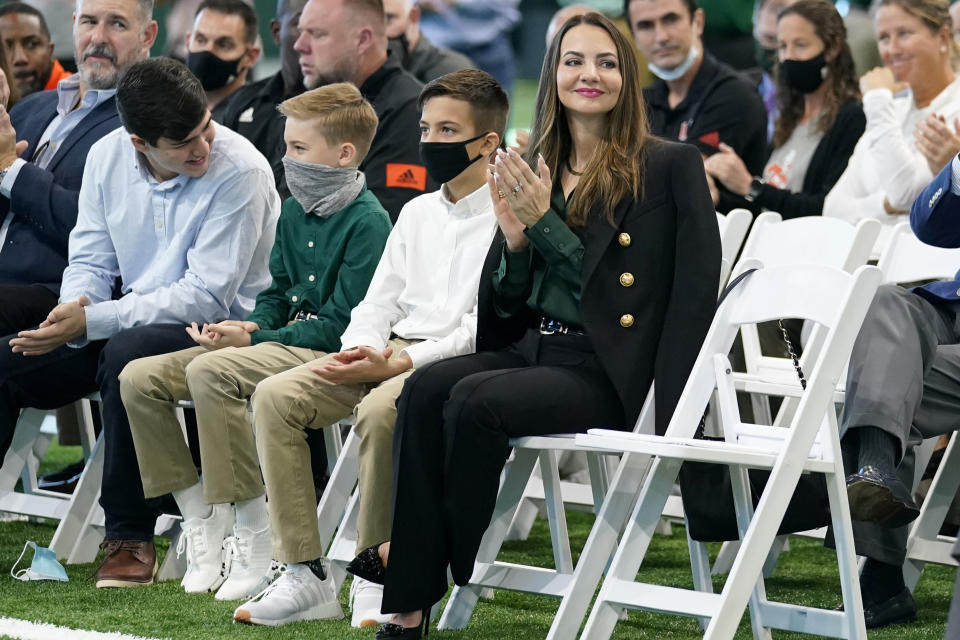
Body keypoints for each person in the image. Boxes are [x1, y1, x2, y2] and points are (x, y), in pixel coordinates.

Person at [369, 13, 721, 638]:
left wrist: (547, 227)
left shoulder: (669, 166)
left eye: (607, 62)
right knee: (423, 389)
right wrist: (515, 243)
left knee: (474, 400)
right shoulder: (537, 163)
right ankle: (413, 598)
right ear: (553, 74)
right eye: (574, 61)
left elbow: (626, 297)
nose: (590, 74)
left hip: (607, 366)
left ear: (627, 76)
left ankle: (415, 577)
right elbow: (510, 304)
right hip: (534, 348)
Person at [231, 68, 504, 629]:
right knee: (276, 396)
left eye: (448, 131)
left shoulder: (508, 220)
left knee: (383, 410)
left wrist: (399, 362)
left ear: (488, 143)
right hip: (389, 349)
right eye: (426, 128)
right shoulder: (417, 212)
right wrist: (360, 350)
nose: (431, 142)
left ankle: (379, 576)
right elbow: (377, 303)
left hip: (455, 362)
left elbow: (481, 328)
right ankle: (304, 572)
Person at [0, 57, 279, 589]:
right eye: (183, 143)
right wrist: (72, 308)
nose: (202, 148)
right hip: (129, 314)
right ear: (139, 143)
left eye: (204, 129)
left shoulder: (240, 169)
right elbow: (90, 258)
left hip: (225, 329)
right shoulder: (109, 157)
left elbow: (205, 296)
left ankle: (130, 533)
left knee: (126, 352)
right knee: (9, 355)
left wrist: (92, 319)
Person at [120, 82, 391, 602]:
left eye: (298, 148)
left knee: (209, 371)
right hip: (278, 343)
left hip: (320, 353)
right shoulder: (292, 210)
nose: (286, 158)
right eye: (288, 146)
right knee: (139, 377)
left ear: (344, 154)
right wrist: (245, 328)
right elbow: (276, 292)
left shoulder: (370, 222)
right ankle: (202, 517)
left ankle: (255, 530)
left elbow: (339, 327)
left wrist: (255, 334)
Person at [837, 153, 960, 628]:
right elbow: (928, 226)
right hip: (951, 313)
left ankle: (882, 580)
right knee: (886, 300)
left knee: (884, 379)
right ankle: (875, 465)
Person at [0, 0, 154, 339]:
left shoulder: (142, 129)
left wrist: (11, 169)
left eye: (116, 24)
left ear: (148, 36)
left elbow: (104, 230)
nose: (98, 37)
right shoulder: (32, 107)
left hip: (58, 293)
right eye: (88, 22)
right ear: (73, 26)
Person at [824, 0, 960, 255]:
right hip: (859, 263)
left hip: (918, 276)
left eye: (904, 34)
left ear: (942, 37)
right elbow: (833, 208)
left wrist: (876, 99)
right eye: (884, 38)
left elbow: (906, 193)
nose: (892, 50)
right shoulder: (890, 111)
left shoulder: (883, 107)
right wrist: (886, 205)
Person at [704, 0, 864, 217]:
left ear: (833, 47)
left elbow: (826, 208)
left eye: (800, 45)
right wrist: (719, 193)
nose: (788, 57)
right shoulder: (790, 116)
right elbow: (764, 206)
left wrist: (750, 185)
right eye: (782, 46)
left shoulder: (852, 117)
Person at [294, 0, 434, 222]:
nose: (299, 45)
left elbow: (380, 231)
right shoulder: (315, 105)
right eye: (301, 31)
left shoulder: (412, 114)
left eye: (317, 34)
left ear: (363, 40)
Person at [627, 0, 768, 186]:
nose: (661, 36)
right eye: (645, 26)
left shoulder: (735, 96)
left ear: (698, 22)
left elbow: (685, 177)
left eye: (671, 19)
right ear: (634, 37)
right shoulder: (639, 101)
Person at [217, 0, 308, 196]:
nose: (308, 39)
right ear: (276, 32)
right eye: (300, 26)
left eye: (320, 29)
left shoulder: (346, 110)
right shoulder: (242, 102)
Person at [418, 0, 520, 94]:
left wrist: (456, 2)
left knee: (495, 110)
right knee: (437, 109)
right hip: (439, 45)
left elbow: (500, 4)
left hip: (489, 45)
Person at [185, 0, 261, 121]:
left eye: (223, 44)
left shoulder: (259, 117)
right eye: (200, 40)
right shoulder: (170, 109)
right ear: (188, 42)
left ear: (250, 57)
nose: (208, 50)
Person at [383, 0, 474, 84]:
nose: (376, 30)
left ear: (413, 17)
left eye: (387, 19)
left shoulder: (451, 72)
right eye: (369, 19)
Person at [0, 2, 69, 98]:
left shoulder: (77, 96)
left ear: (50, 51)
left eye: (31, 44)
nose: (20, 58)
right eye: (4, 47)